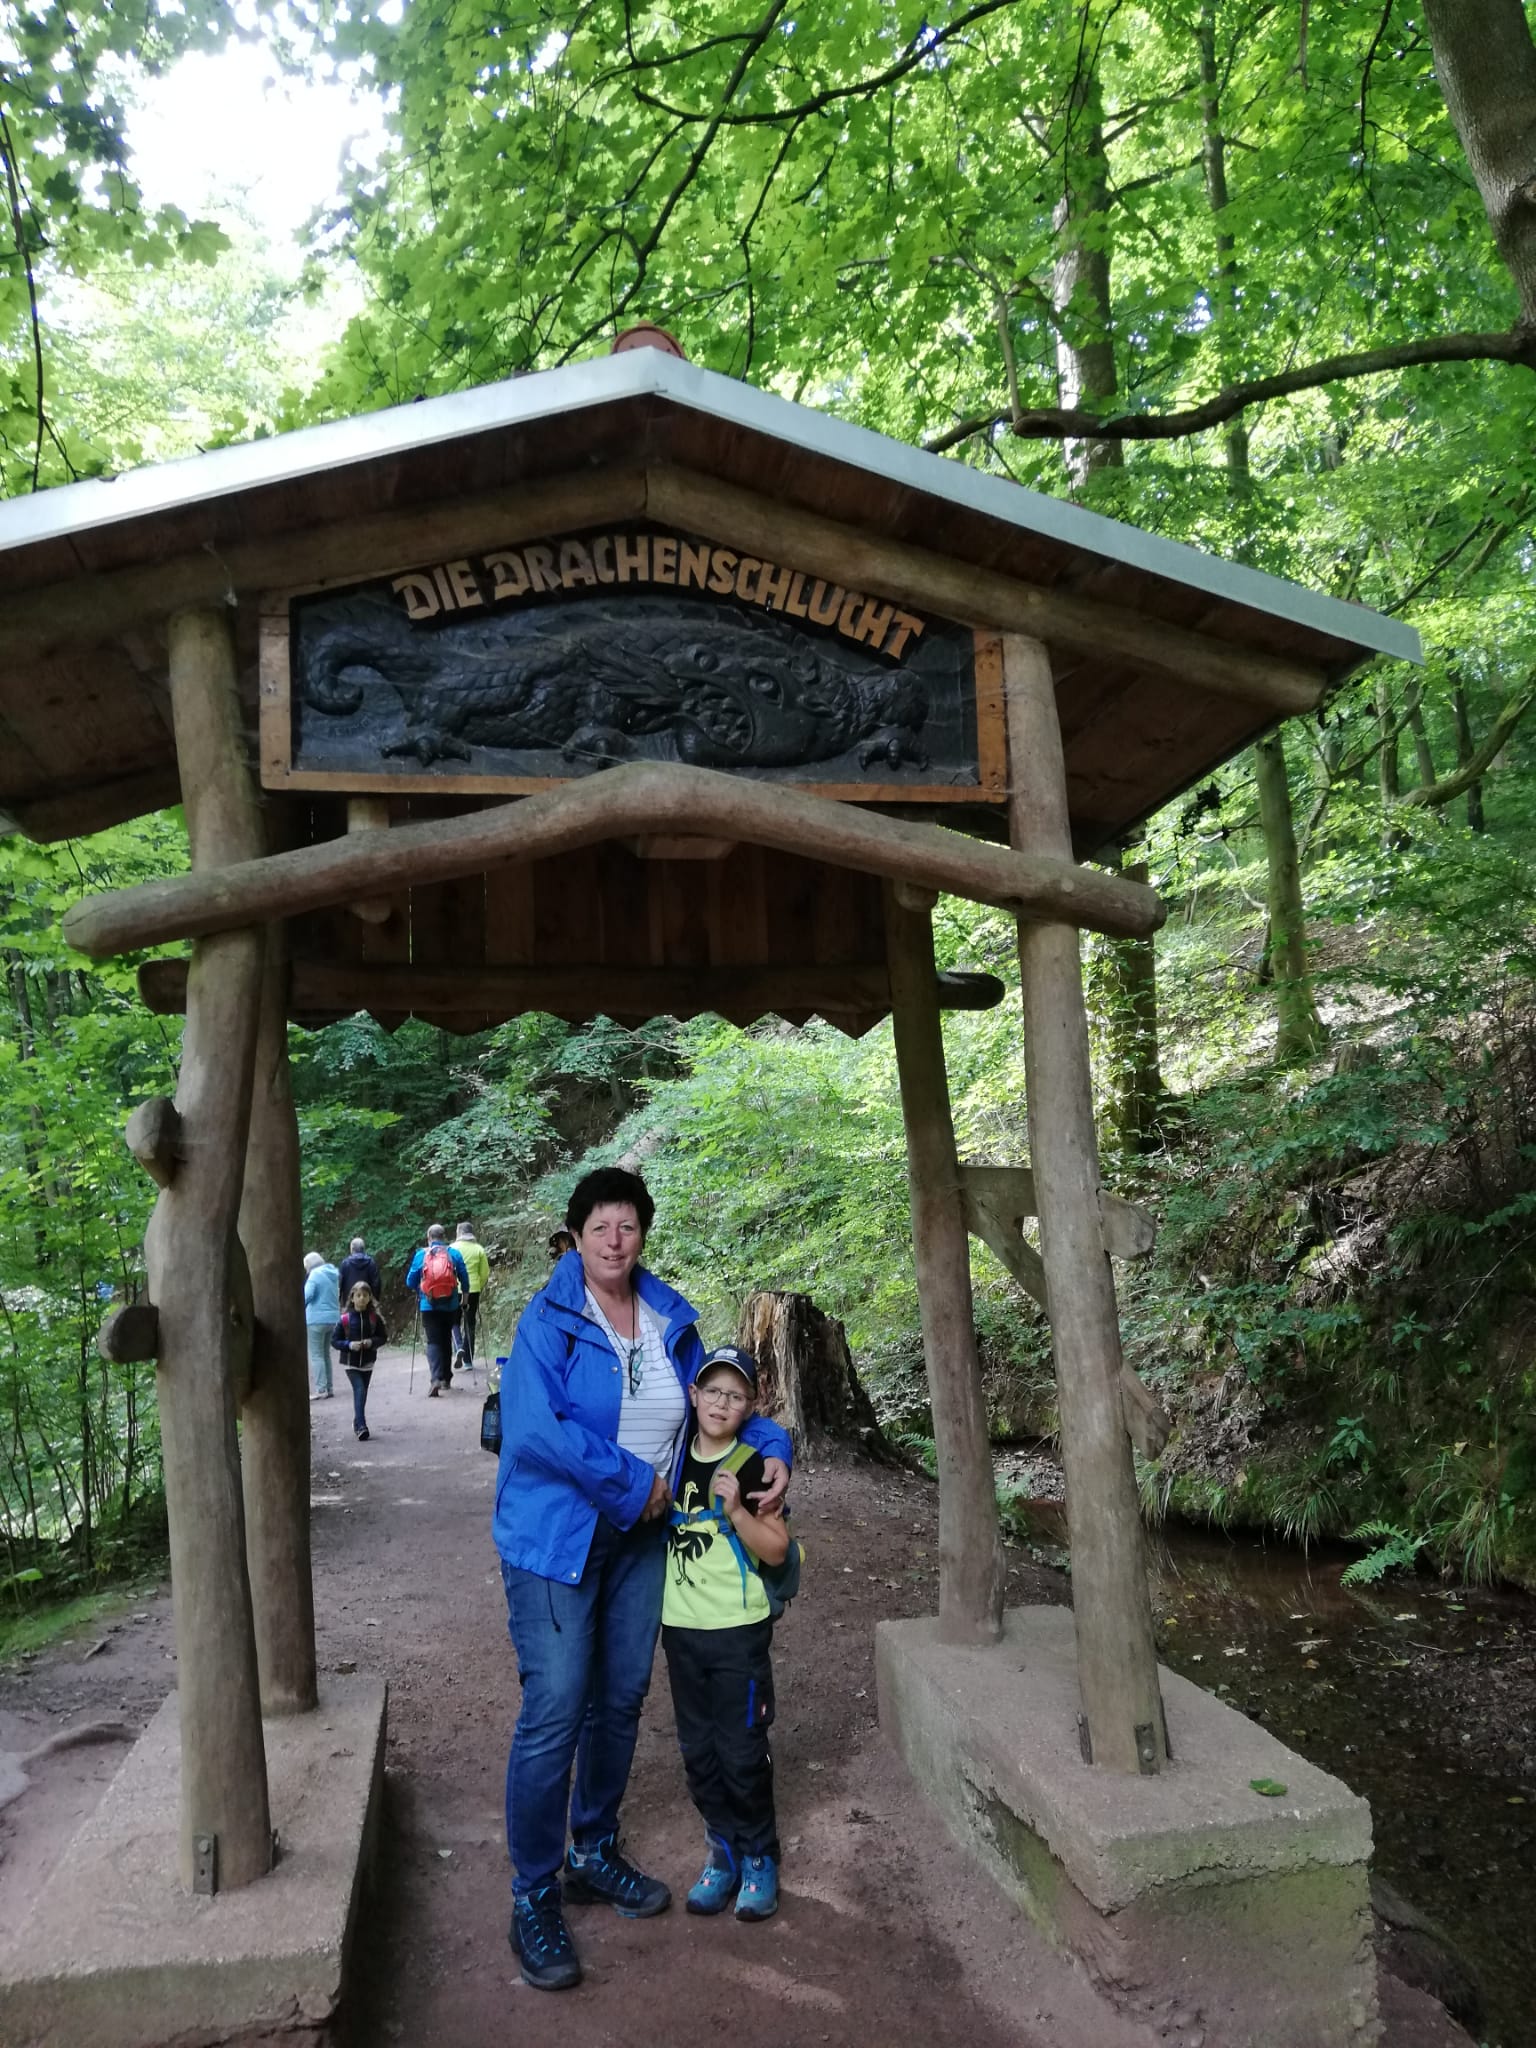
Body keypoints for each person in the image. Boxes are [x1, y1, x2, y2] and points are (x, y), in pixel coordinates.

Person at [494, 1166, 791, 1994]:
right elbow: (535, 1429)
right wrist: (635, 1483)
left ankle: (592, 1850)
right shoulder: (549, 1320)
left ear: (642, 1234)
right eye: (600, 1227)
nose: (614, 1241)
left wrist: (775, 1451)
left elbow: (720, 1402)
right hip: (556, 1539)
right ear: (576, 1236)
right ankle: (533, 1893)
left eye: (627, 1226)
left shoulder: (668, 1317)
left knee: (620, 1699)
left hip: (639, 1544)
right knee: (556, 1707)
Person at [661, 1344, 787, 1923]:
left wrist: (737, 1511)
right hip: (682, 1633)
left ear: (750, 1405)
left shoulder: (753, 1464)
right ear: (693, 1395)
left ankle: (759, 1856)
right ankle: (723, 1852)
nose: (720, 1403)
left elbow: (776, 1549)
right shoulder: (672, 1458)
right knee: (699, 1752)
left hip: (738, 1633)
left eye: (734, 1395)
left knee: (741, 1752)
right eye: (712, 1390)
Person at [405, 1224, 470, 1396]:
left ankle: (435, 1378)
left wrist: (421, 1289)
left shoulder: (421, 1255)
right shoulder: (454, 1254)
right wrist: (464, 1300)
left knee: (433, 1341)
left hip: (429, 1305)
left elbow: (410, 1281)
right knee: (446, 1339)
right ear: (444, 1236)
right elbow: (465, 1278)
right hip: (450, 1305)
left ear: (429, 1238)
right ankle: (446, 1379)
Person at [332, 1282, 388, 1441]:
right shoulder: (345, 1319)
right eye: (358, 1295)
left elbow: (383, 1337)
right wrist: (349, 1345)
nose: (361, 1298)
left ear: (370, 1298)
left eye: (365, 1295)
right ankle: (362, 1426)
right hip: (350, 1363)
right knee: (360, 1390)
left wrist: (371, 1342)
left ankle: (357, 1422)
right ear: (352, 1298)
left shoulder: (374, 1318)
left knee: (363, 1393)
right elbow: (335, 1341)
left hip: (368, 1362)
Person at [451, 1222, 490, 1371]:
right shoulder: (478, 1249)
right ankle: (468, 1361)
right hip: (473, 1290)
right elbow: (485, 1273)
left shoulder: (452, 1248)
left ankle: (459, 1346)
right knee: (470, 1323)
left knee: (453, 1321)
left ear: (459, 1233)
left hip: (454, 1289)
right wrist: (478, 1285)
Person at [303, 1251, 340, 1400]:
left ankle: (321, 1389)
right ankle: (329, 1387)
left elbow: (306, 1296)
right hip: (332, 1318)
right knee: (325, 1354)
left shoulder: (314, 1275)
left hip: (315, 1319)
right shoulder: (333, 1274)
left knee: (316, 1355)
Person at [337, 1236, 382, 1305]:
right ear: (363, 1249)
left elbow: (339, 1284)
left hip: (349, 1303)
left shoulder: (345, 1263)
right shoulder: (371, 1263)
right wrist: (375, 1300)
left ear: (352, 1249)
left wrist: (338, 1302)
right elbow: (376, 1284)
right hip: (367, 1302)